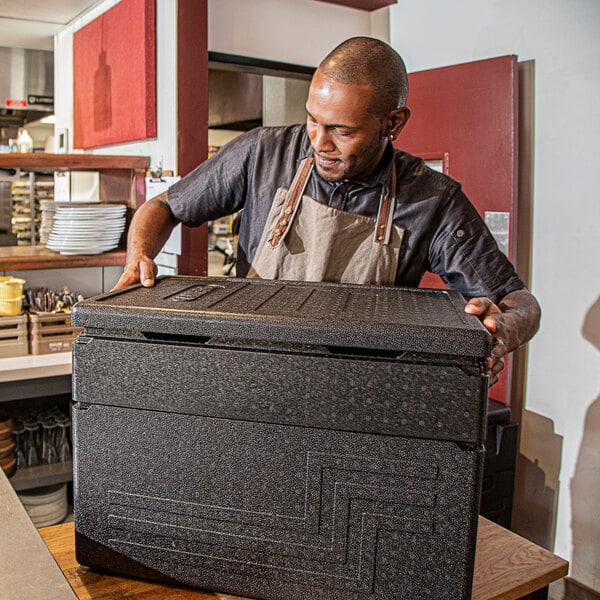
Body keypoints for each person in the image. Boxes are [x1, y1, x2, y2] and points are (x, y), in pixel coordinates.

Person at [114, 36, 540, 387]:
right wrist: (138, 257)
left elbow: (520, 303)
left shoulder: (432, 199)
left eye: (341, 130)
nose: (319, 142)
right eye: (313, 121)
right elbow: (163, 206)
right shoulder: (264, 152)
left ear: (393, 122)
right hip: (250, 373)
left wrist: (502, 330)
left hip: (358, 390)